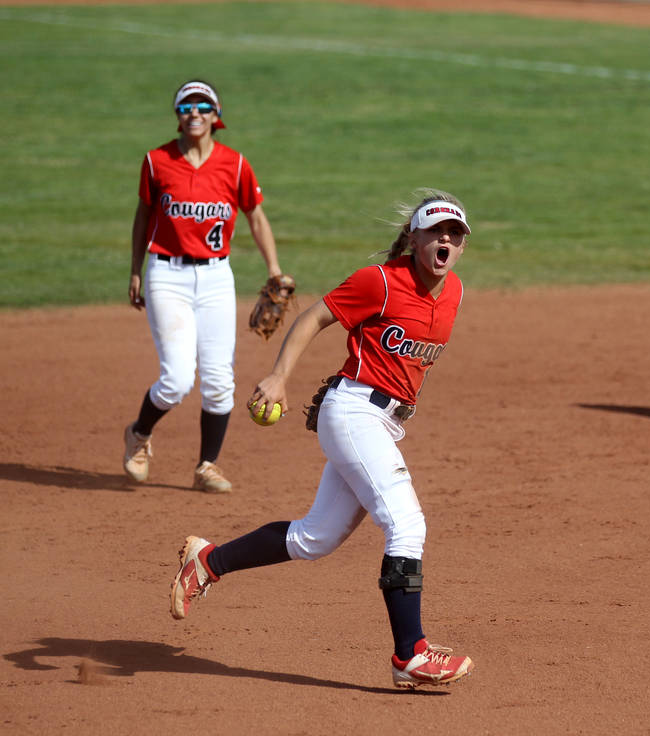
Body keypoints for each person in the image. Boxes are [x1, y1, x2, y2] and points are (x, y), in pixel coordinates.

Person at [168, 190, 475, 689]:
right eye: (436, 231)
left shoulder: (454, 292)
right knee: (407, 525)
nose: (446, 240)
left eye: (455, 234)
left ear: (461, 246)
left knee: (316, 538)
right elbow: (314, 318)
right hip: (354, 413)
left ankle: (207, 561)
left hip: (378, 421)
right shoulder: (377, 281)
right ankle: (410, 656)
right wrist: (278, 377)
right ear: (413, 238)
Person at [123, 79, 286, 492]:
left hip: (216, 276)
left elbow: (256, 216)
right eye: (185, 106)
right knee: (177, 379)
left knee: (219, 380)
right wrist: (136, 270)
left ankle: (206, 466)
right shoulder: (157, 161)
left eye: (202, 106)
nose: (193, 112)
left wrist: (274, 269)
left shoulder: (234, 164)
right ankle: (139, 435)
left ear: (216, 116)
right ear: (178, 116)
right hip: (167, 274)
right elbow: (143, 216)